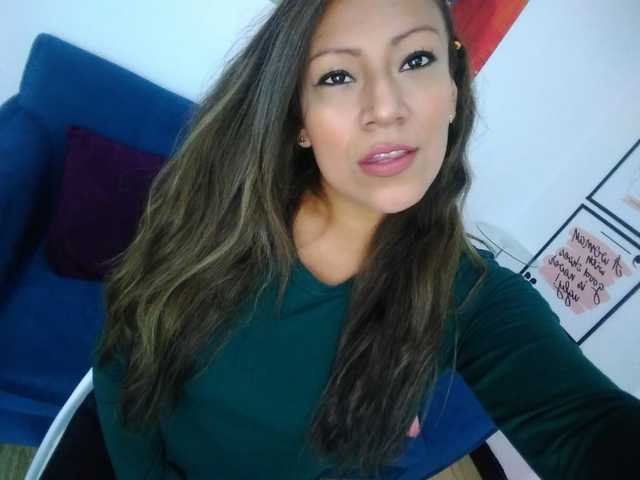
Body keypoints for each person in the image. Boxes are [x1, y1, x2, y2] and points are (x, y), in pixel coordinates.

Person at [92, 0, 640, 478]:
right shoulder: (220, 212)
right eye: (337, 76)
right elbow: (122, 357)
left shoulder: (471, 298)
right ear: (299, 119)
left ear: (452, 91)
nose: (386, 107)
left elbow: (586, 426)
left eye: (416, 60)